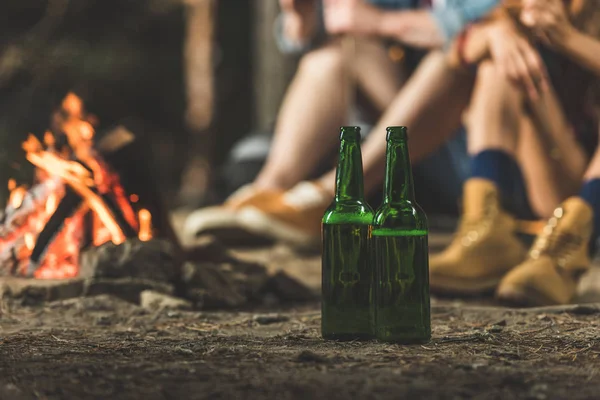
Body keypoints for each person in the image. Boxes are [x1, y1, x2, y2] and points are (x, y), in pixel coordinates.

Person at [184, 0, 499, 246]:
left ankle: (328, 197)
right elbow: (341, 23)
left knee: (456, 56)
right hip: (419, 143)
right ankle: (270, 191)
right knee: (340, 51)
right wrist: (302, 19)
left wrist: (381, 22)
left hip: (478, 146)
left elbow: (491, 23)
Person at [429, 0, 600, 306]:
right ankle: (485, 230)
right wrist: (497, 34)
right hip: (554, 174)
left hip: (590, 196)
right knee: (501, 59)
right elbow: (454, 57)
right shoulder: (531, 6)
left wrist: (569, 39)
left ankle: (566, 252)